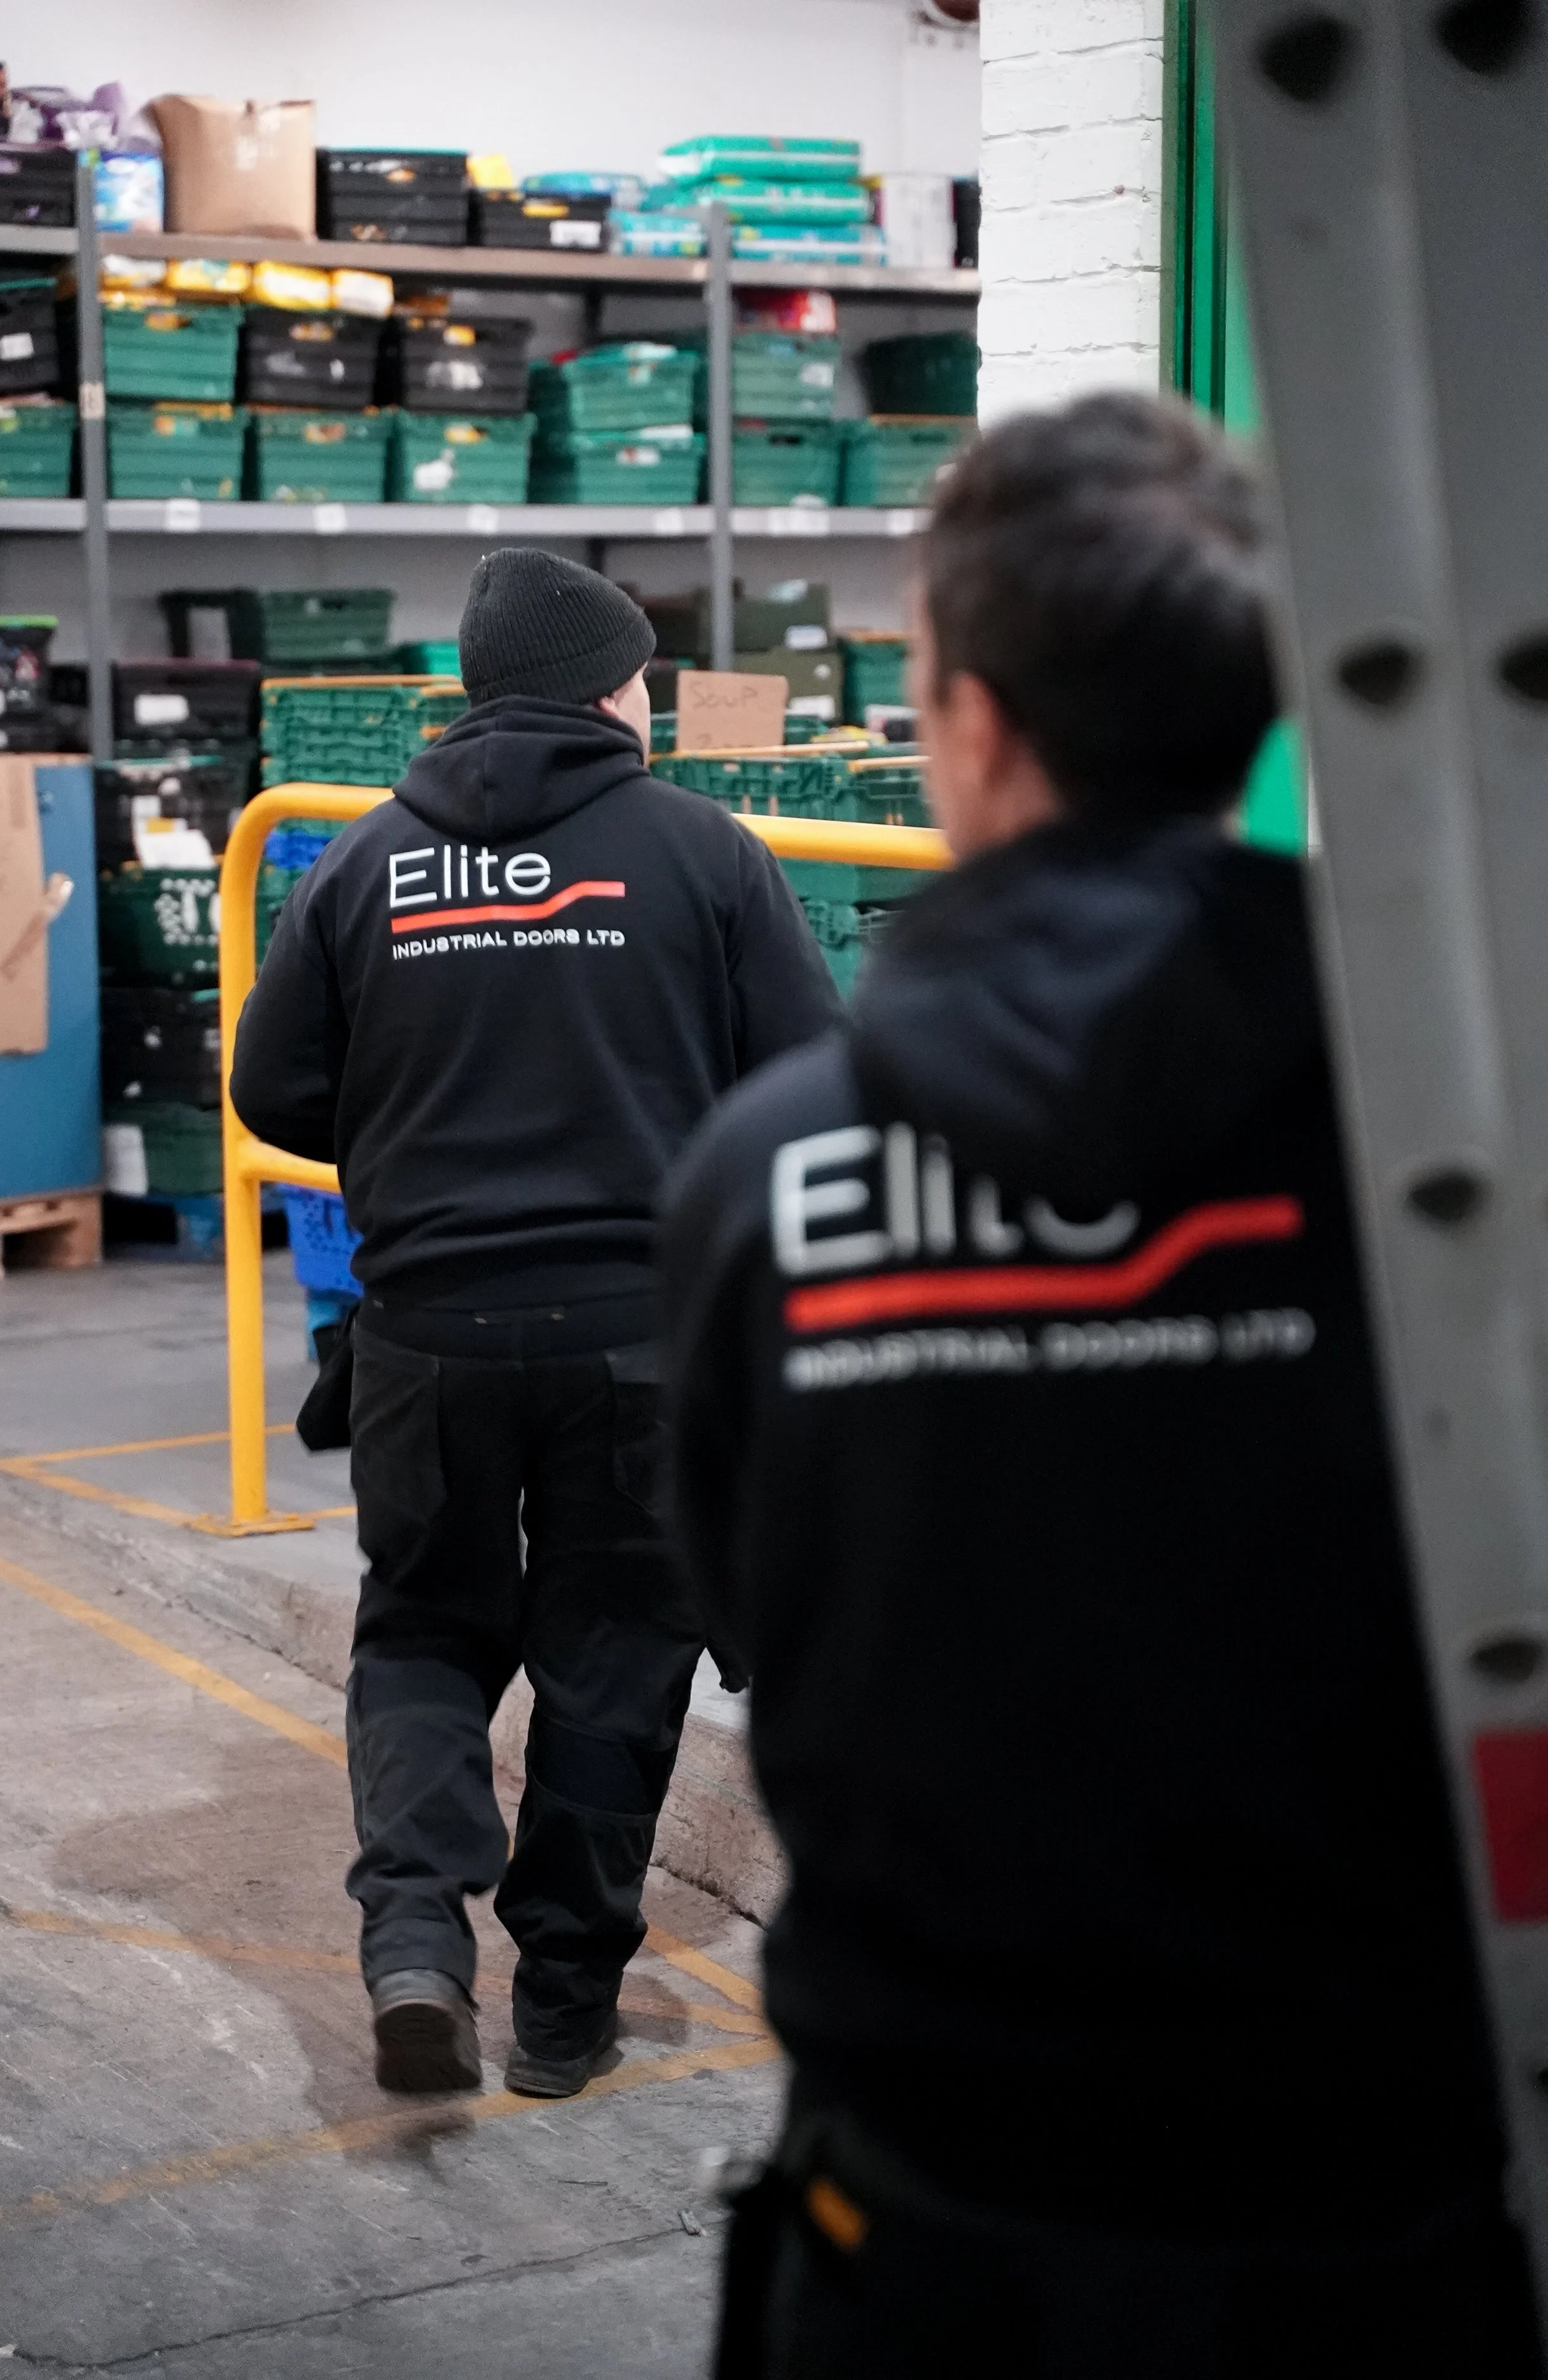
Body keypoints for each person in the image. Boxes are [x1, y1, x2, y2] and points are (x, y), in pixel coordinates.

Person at [660, 395, 1535, 2376]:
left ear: (971, 722)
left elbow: (742, 1595)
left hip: (936, 2218)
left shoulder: (763, 1180)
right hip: (1375, 2204)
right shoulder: (1442, 1157)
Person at [232, 548, 840, 2100]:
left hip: (427, 1329)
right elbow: (807, 1082)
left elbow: (271, 1087)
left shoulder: (363, 863)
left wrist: (416, 1129)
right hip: (643, 1341)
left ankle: (415, 1946)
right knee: (616, 1656)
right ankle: (562, 2010)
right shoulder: (703, 853)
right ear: (609, 689)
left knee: (424, 1629)